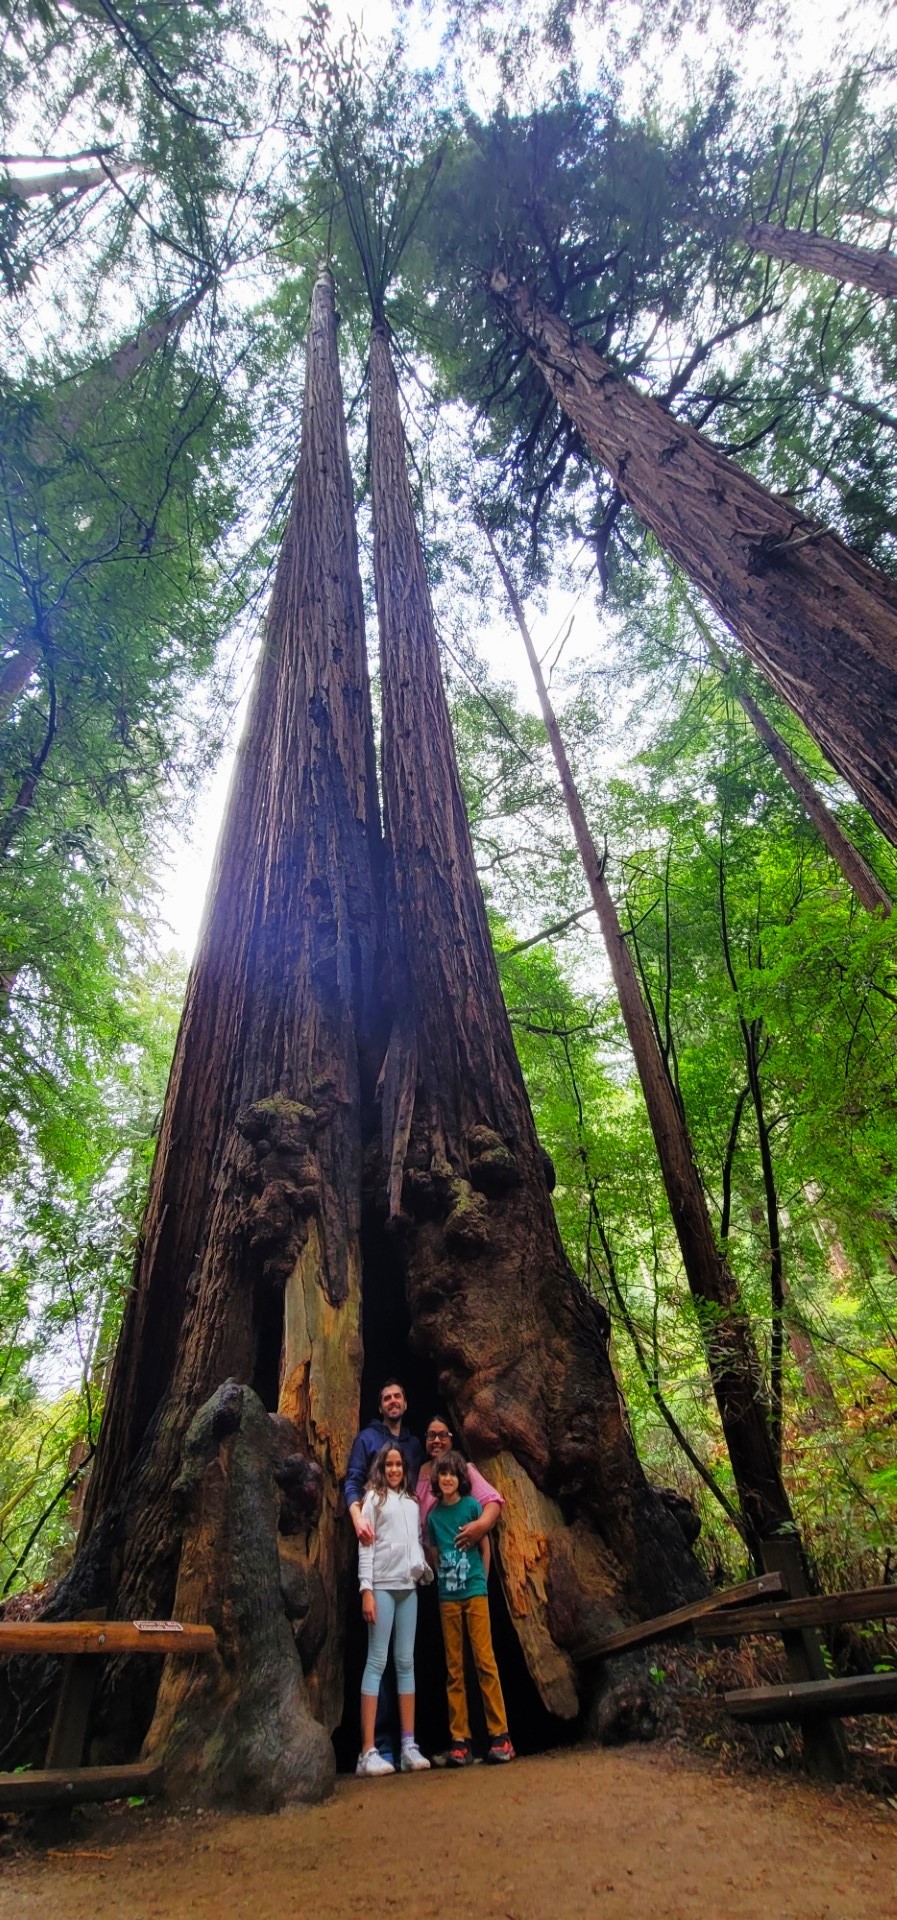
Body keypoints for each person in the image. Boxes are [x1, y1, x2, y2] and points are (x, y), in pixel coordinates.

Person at [426, 1450, 515, 1768]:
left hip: (475, 1591)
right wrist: (443, 1582)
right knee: (454, 1668)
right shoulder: (433, 1517)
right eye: (442, 1474)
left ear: (460, 1478)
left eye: (452, 1474)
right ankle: (460, 1740)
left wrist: (483, 1581)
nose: (447, 1479)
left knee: (484, 1661)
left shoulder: (472, 1507)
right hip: (448, 1597)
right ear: (436, 1479)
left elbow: (484, 1544)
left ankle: (500, 1736)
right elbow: (434, 1553)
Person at [356, 1444, 432, 1778]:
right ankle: (367, 1751)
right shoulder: (374, 1499)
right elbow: (366, 1545)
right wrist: (366, 1590)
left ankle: (408, 1745)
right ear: (381, 1468)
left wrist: (422, 1570)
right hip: (383, 1587)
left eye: (399, 1464)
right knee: (377, 1662)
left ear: (405, 1468)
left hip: (407, 1588)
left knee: (405, 1663)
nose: (394, 1469)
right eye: (389, 1464)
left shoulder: (412, 1502)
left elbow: (415, 1540)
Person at [416, 1416, 503, 1575]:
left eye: (443, 1436)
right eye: (431, 1435)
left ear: (451, 1440)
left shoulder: (463, 1468)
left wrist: (480, 1526)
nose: (436, 1440)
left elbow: (493, 1501)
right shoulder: (419, 1472)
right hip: (429, 1566)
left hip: (463, 1561)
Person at [345, 1380, 423, 1546]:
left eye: (397, 1396)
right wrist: (358, 1519)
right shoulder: (367, 1438)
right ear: (380, 1408)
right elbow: (353, 1481)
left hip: (410, 1530)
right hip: (376, 1527)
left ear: (405, 1404)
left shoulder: (414, 1445)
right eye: (387, 1398)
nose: (393, 1400)